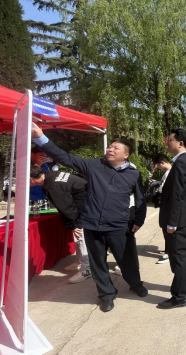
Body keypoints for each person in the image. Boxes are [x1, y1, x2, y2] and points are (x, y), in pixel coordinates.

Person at [31, 124, 148, 314]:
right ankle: (106, 294)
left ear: (126, 155)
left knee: (127, 259)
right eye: (109, 146)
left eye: (116, 148)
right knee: (97, 263)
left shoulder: (133, 175)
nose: (110, 149)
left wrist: (139, 220)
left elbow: (141, 198)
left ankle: (135, 284)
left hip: (118, 226)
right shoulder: (94, 166)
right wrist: (40, 137)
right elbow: (64, 157)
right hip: (93, 225)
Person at [158, 128, 186, 310]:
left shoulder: (181, 163)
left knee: (180, 257)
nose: (167, 142)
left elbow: (177, 196)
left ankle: (180, 296)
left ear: (180, 143)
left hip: (179, 220)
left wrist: (172, 222)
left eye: (170, 139)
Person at [30, 166, 91, 284]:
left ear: (30, 179)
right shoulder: (52, 175)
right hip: (86, 204)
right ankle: (79, 260)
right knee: (79, 238)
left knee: (81, 237)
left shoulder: (51, 186)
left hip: (86, 208)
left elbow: (66, 207)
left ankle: (87, 269)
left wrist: (73, 225)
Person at [152, 154, 173, 264]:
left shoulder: (171, 173)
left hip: (169, 205)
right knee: (165, 228)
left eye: (158, 166)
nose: (159, 168)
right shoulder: (168, 173)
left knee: (167, 229)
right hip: (166, 205)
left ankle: (169, 252)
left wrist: (157, 186)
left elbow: (166, 190)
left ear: (162, 163)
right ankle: (168, 249)